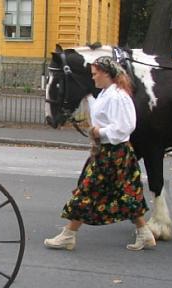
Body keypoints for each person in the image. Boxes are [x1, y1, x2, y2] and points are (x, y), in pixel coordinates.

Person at [44, 56, 156, 251]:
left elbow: (125, 126)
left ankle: (68, 235)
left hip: (113, 154)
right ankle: (145, 234)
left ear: (106, 73)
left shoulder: (118, 96)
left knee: (87, 191)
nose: (93, 78)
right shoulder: (106, 94)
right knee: (126, 194)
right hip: (109, 152)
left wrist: (99, 132)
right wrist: (84, 96)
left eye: (95, 74)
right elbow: (99, 111)